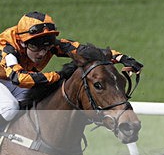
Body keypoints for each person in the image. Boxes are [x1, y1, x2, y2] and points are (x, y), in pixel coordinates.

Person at [0, 11, 143, 123]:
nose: (42, 53)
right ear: (23, 42)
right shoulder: (7, 47)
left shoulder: (49, 45)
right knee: (10, 109)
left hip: (13, 79)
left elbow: (84, 51)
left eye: (47, 45)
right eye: (35, 46)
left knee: (40, 107)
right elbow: (19, 79)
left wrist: (122, 58)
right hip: (12, 78)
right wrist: (60, 75)